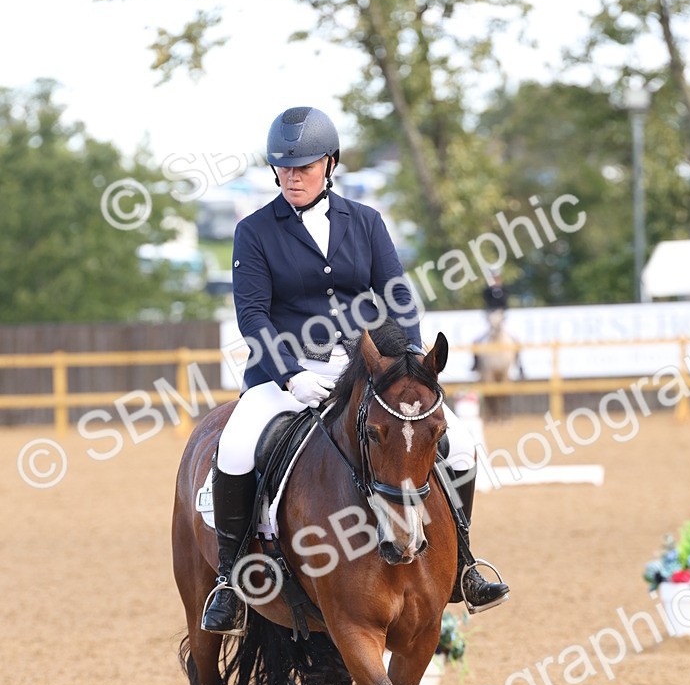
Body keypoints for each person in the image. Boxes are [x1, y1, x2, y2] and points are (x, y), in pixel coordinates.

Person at [202, 106, 509, 634]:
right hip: (287, 375)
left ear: (331, 164)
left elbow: (398, 297)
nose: (292, 177)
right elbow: (251, 314)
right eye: (283, 168)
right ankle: (232, 581)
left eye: (304, 167)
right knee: (234, 446)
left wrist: (409, 366)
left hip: (364, 371)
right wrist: (289, 374)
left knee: (457, 442)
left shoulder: (364, 222)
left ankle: (463, 565)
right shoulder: (253, 231)